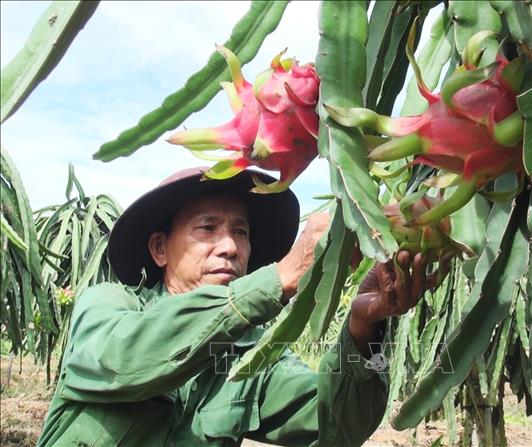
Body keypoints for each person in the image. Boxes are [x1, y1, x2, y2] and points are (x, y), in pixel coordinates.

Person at [37, 167, 429, 447]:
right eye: (207, 228)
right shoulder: (109, 305)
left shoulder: (253, 359)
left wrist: (363, 326)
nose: (230, 246)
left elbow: (338, 428)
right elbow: (122, 359)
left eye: (240, 231)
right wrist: (282, 276)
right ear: (160, 248)